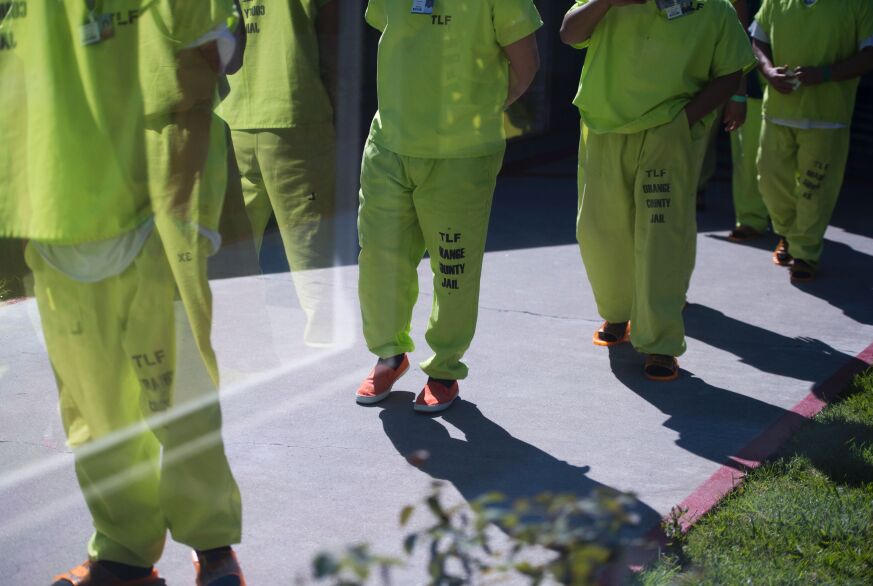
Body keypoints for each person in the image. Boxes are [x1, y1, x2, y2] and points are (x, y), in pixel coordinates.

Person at [0, 2, 247, 584]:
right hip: (54, 217)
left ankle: (211, 544)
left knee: (179, 399)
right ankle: (123, 552)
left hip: (151, 214)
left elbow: (222, 47)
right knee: (93, 413)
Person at [355, 0, 542, 412]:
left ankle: (443, 369)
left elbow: (525, 66)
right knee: (380, 257)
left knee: (453, 265)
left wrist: (476, 112)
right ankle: (390, 354)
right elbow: (397, 40)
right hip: (390, 144)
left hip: (461, 155)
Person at [560, 0, 755, 381]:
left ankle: (660, 343)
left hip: (666, 133)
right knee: (600, 232)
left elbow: (730, 72)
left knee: (661, 238)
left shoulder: (712, 9)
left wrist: (682, 122)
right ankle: (618, 312)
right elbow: (569, 33)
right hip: (604, 128)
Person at [217, 0, 339, 347]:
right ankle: (324, 341)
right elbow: (333, 38)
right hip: (295, 110)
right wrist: (336, 105)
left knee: (234, 245)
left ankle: (238, 337)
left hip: (229, 113)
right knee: (309, 241)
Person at [752, 0, 873, 282]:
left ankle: (806, 252)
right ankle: (788, 233)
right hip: (777, 111)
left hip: (828, 117)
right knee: (769, 180)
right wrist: (768, 71)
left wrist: (826, 74)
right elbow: (756, 40)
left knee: (815, 189)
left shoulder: (861, 5)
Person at [726, 0, 771, 242]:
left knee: (787, 159)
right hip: (751, 79)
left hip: (796, 75)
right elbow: (737, 25)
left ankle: (792, 227)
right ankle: (751, 219)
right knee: (747, 154)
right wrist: (737, 90)